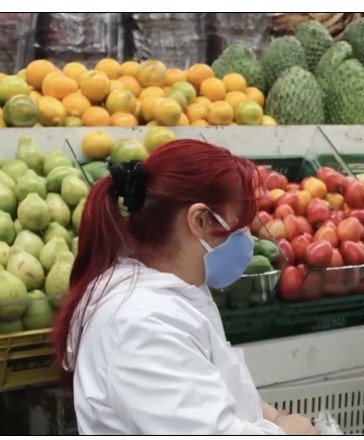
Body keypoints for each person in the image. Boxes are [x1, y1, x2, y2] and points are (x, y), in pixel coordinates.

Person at [52, 139, 318, 435]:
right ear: (200, 220)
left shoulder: (180, 289)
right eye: (237, 224)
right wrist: (295, 432)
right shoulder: (140, 327)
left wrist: (269, 415)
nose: (247, 237)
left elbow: (219, 389)